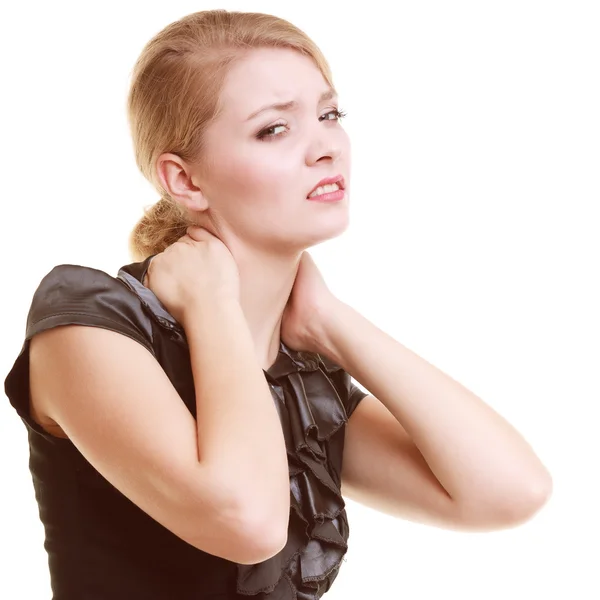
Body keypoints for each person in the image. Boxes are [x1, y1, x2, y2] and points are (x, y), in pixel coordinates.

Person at [4, 9, 369, 599]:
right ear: (184, 180)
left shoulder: (303, 373)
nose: (325, 147)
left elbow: (507, 492)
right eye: (274, 128)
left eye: (329, 115)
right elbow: (249, 522)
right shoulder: (88, 319)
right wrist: (210, 302)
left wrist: (331, 322)